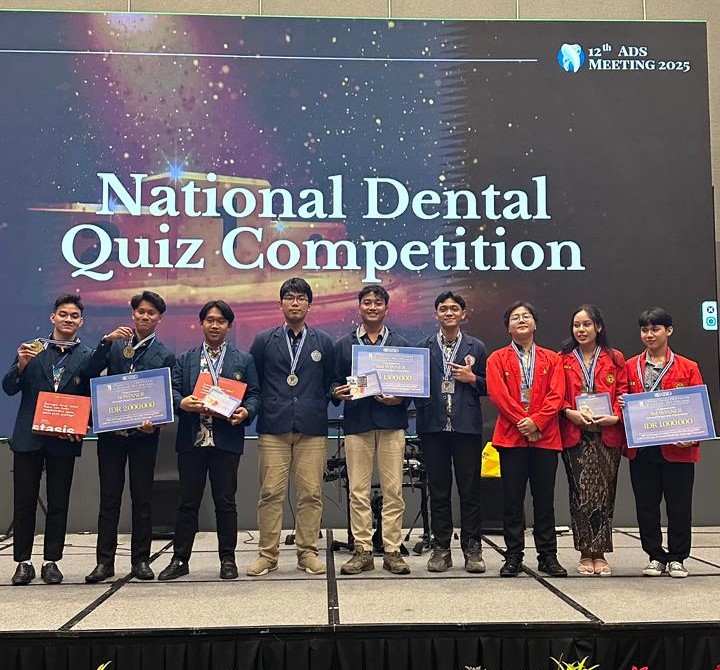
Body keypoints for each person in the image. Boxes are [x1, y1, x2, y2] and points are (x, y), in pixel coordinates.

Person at [157, 300, 261, 581]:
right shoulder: (185, 359)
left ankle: (228, 559)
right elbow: (173, 390)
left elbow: (255, 395)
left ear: (229, 326)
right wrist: (182, 403)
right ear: (201, 323)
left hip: (226, 441)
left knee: (225, 502)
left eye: (221, 321)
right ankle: (180, 560)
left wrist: (247, 411)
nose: (215, 325)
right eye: (210, 320)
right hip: (192, 441)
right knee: (187, 503)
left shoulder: (243, 360)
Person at [84, 291, 176, 583]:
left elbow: (168, 396)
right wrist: (105, 341)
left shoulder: (165, 355)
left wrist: (156, 420)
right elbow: (88, 371)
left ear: (159, 318)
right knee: (109, 499)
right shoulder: (114, 344)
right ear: (133, 314)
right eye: (141, 311)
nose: (145, 316)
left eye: (151, 313)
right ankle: (104, 562)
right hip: (111, 436)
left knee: (142, 499)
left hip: (143, 437)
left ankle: (140, 560)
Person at [247, 278, 336, 577]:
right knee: (270, 493)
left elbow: (329, 383)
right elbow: (255, 383)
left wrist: (322, 399)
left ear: (310, 304)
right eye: (289, 297)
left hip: (312, 427)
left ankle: (307, 553)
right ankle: (267, 555)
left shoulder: (323, 342)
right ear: (281, 303)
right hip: (274, 426)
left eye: (300, 298)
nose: (295, 302)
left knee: (310, 494)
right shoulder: (264, 340)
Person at [2, 294, 92, 585]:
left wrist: (84, 421)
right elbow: (9, 387)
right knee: (24, 502)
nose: (68, 319)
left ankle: (51, 561)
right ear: (53, 317)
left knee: (59, 502)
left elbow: (91, 397)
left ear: (81, 321)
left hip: (64, 438)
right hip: (28, 437)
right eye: (63, 314)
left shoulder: (87, 355)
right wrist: (21, 365)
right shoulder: (32, 348)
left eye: (74, 316)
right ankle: (23, 562)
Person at [332, 284, 411, 576]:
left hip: (392, 423)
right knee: (358, 491)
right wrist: (337, 391)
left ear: (386, 308)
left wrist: (400, 398)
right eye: (367, 302)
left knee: (393, 490)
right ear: (360, 307)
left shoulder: (401, 343)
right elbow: (333, 382)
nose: (372, 307)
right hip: (358, 423)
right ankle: (363, 550)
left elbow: (412, 385)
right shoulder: (344, 344)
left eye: (378, 303)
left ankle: (392, 550)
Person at [486, 300, 567, 577]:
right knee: (512, 500)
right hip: (512, 437)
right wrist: (524, 422)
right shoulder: (496, 359)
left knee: (544, 500)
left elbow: (557, 395)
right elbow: (498, 395)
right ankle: (513, 556)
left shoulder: (552, 359)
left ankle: (548, 556)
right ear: (508, 327)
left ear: (535, 324)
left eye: (526, 316)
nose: (521, 320)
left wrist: (537, 421)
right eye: (515, 317)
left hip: (545, 437)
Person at [624, 307, 703, 579]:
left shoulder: (687, 367)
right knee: (646, 505)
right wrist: (622, 403)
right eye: (644, 329)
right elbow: (621, 398)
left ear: (668, 331)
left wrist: (691, 437)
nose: (649, 335)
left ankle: (678, 557)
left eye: (655, 329)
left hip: (677, 450)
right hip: (643, 448)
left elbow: (697, 408)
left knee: (679, 505)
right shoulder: (630, 366)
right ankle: (655, 555)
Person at [416, 291, 488, 573]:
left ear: (463, 314)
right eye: (443, 309)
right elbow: (414, 385)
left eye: (454, 308)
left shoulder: (476, 347)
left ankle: (472, 548)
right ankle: (441, 548)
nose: (449, 313)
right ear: (436, 314)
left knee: (470, 491)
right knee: (438, 491)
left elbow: (489, 385)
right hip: (433, 426)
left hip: (466, 427)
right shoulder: (423, 347)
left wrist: (472, 379)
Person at [559, 305, 627, 576]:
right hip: (575, 434)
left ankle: (601, 552)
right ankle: (585, 552)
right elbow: (556, 394)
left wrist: (616, 416)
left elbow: (623, 391)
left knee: (605, 493)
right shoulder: (563, 358)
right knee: (580, 494)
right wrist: (568, 411)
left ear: (598, 327)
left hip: (607, 434)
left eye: (586, 324)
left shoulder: (615, 357)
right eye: (577, 325)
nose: (581, 329)